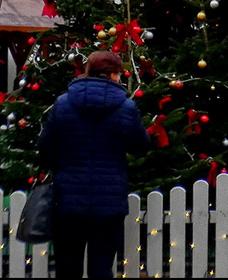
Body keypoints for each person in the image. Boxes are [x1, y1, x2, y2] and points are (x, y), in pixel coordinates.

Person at [39, 50, 152, 280]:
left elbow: (45, 147)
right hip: (108, 203)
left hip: (68, 201)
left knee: (67, 267)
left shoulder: (63, 104)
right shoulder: (126, 108)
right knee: (101, 267)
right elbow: (140, 146)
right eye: (118, 74)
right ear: (111, 75)